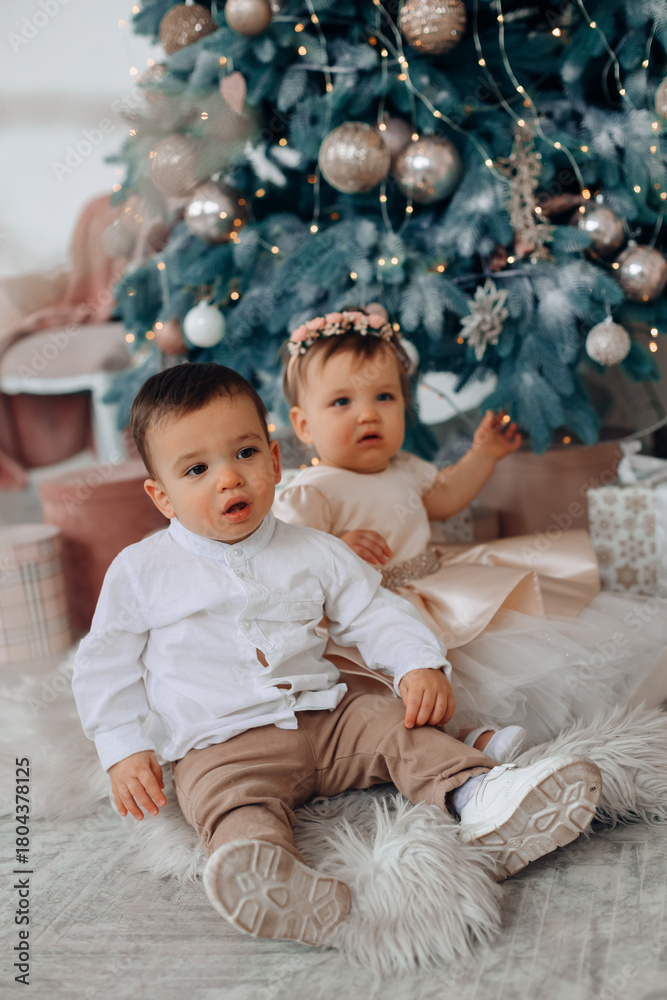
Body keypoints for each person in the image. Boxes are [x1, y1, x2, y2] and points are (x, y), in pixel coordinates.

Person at [72, 362, 602, 949]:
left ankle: (480, 796)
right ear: (162, 496)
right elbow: (105, 662)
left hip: (327, 716)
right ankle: (266, 873)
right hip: (219, 742)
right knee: (227, 803)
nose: (229, 479)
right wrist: (122, 746)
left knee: (393, 721)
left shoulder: (315, 550)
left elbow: (373, 611)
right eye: (197, 469)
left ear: (275, 461)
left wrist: (416, 663)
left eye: (244, 454)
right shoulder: (142, 572)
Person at [275, 307, 667, 746]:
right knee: (401, 688)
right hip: (374, 611)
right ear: (303, 423)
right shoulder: (313, 489)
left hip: (438, 585)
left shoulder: (404, 466)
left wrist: (484, 454)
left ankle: (490, 731)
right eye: (342, 402)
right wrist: (336, 547)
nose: (367, 415)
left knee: (506, 646)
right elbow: (288, 555)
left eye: (384, 397)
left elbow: (446, 496)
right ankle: (467, 739)